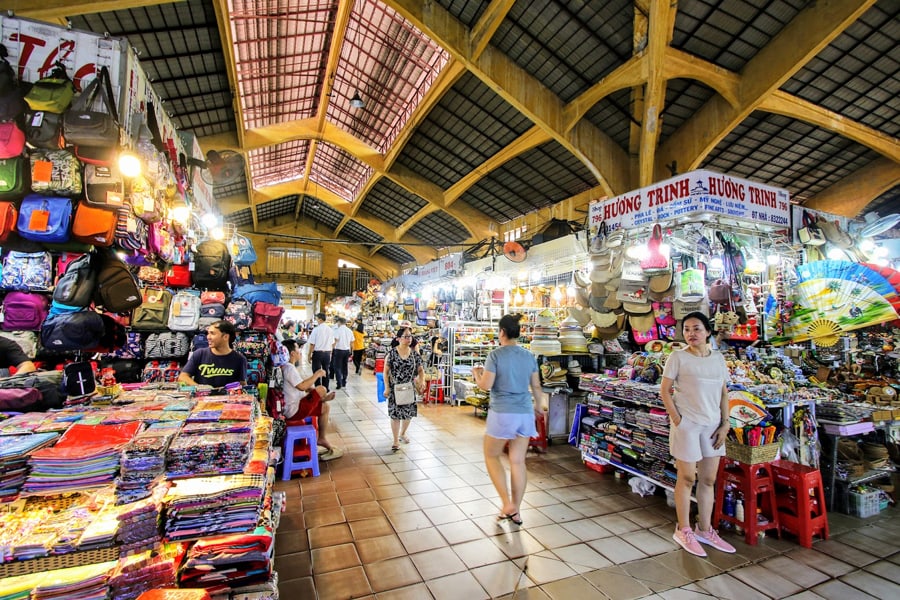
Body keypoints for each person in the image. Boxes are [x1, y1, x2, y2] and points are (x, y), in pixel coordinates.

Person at [660, 311, 735, 557]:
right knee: (686, 478)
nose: (691, 334)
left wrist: (725, 423)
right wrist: (678, 420)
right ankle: (683, 529)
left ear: (708, 332)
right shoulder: (678, 357)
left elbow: (723, 393)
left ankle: (704, 529)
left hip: (713, 425)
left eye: (696, 329)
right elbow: (665, 390)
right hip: (688, 425)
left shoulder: (718, 359)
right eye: (687, 329)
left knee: (708, 479)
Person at [472, 314, 542, 527]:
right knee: (518, 461)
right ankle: (516, 510)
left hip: (502, 413)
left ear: (502, 332)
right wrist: (539, 405)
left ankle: (507, 504)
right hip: (525, 413)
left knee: (491, 455)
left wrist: (477, 374)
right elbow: (536, 385)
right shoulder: (529, 356)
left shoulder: (495, 355)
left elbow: (486, 385)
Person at [281, 339, 342, 460]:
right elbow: (302, 386)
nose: (300, 351)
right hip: (294, 411)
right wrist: (317, 374)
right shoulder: (289, 368)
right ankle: (322, 398)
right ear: (292, 353)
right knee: (321, 389)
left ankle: (322, 438)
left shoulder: (288, 367)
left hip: (296, 406)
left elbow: (302, 385)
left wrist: (312, 390)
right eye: (298, 348)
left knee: (325, 408)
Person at [384, 325, 424, 452]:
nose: (409, 339)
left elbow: (421, 370)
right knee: (395, 415)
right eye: (406, 336)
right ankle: (396, 441)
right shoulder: (391, 354)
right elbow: (385, 372)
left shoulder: (414, 355)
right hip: (395, 388)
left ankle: (403, 433)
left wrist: (421, 381)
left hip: (409, 387)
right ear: (398, 338)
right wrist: (386, 388)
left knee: (408, 414)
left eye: (410, 336)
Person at [177, 320, 247, 388]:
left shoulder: (239, 359)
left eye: (212, 333)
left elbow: (242, 384)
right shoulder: (199, 354)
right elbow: (183, 377)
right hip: (202, 395)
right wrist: (200, 388)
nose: (208, 337)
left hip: (227, 396)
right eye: (208, 333)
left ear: (225, 337)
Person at [307, 312, 334, 391]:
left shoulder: (316, 330)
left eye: (317, 319)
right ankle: (326, 388)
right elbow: (332, 343)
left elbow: (312, 344)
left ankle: (318, 388)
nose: (316, 320)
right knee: (326, 371)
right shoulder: (330, 330)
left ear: (320, 319)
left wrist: (309, 355)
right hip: (327, 353)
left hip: (318, 353)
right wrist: (330, 353)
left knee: (316, 371)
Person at [331, 316, 354, 389]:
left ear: (339, 322)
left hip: (338, 350)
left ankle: (339, 383)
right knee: (344, 366)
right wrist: (352, 351)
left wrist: (331, 350)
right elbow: (352, 342)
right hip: (347, 351)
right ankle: (344, 381)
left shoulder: (338, 330)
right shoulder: (349, 331)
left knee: (337, 367)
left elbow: (335, 341)